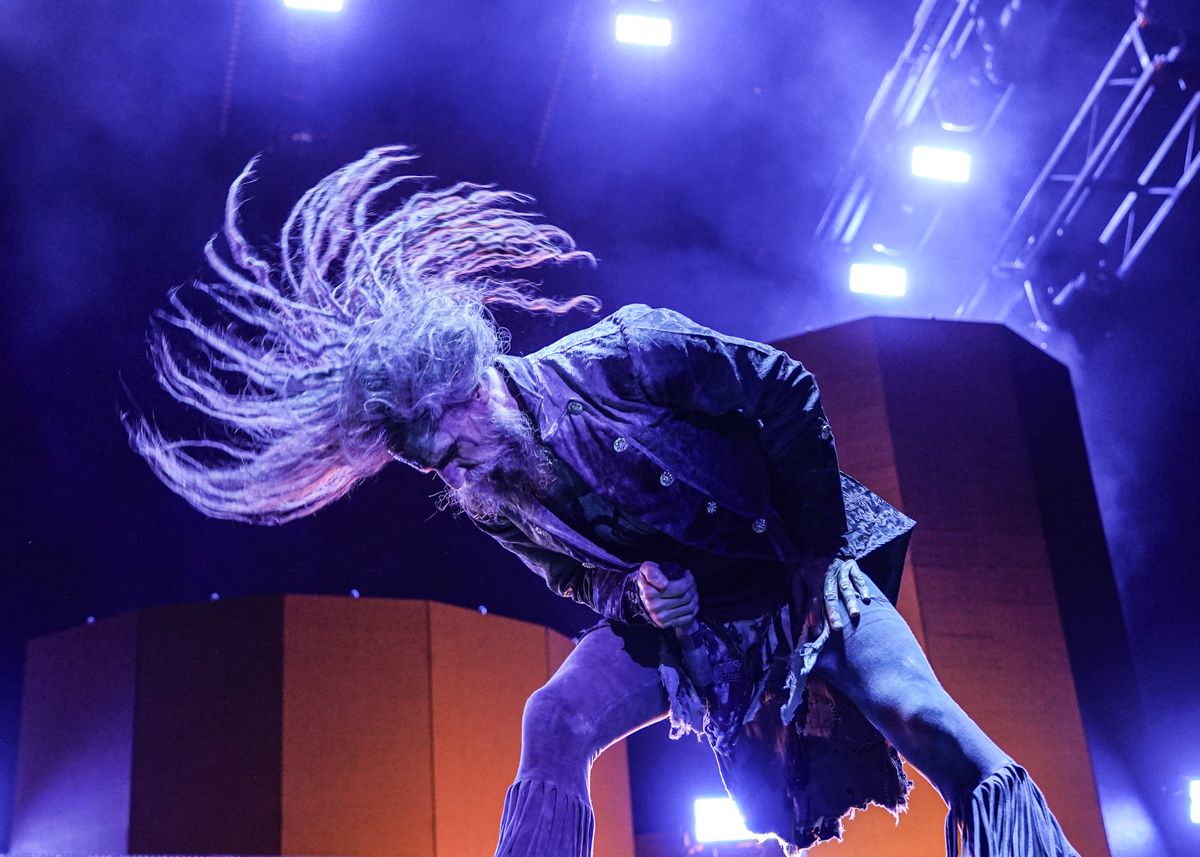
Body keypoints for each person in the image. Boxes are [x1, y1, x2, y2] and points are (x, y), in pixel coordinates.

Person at [128, 147, 1080, 857]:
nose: (455, 482)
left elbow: (784, 388)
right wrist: (638, 599)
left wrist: (817, 556)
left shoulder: (626, 351)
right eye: (433, 471)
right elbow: (580, 576)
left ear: (473, 387)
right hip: (691, 634)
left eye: (452, 450)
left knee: (928, 724)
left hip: (798, 577)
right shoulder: (489, 492)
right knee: (554, 719)